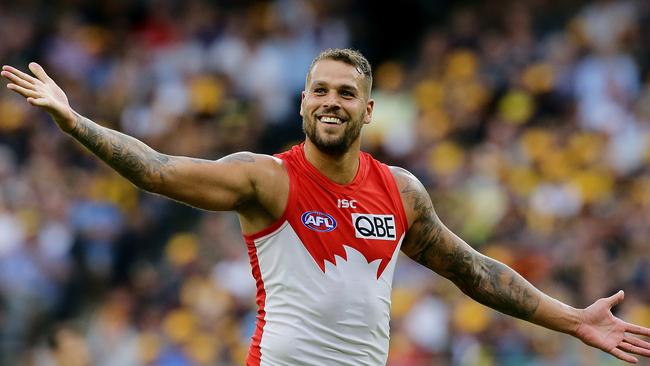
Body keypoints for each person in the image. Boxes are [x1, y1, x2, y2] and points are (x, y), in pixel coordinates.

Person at [3, 48, 650, 365]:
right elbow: (160, 172)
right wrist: (75, 121)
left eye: (346, 92)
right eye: (320, 90)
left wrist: (572, 320)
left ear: (367, 109)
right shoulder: (266, 181)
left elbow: (474, 271)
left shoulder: (400, 191)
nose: (331, 100)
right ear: (303, 102)